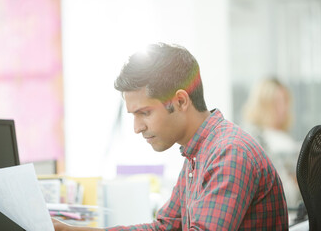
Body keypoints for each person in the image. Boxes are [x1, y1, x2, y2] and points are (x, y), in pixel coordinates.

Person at [53, 43, 288, 230]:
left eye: (144, 113)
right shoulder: (197, 154)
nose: (137, 127)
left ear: (180, 101)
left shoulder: (229, 152)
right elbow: (165, 226)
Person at [242, 78, 302, 210]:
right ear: (264, 104)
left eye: (285, 101)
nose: (284, 108)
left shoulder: (284, 138)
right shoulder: (257, 140)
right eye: (278, 102)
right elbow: (287, 194)